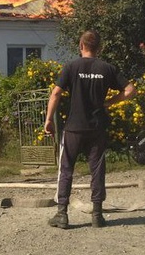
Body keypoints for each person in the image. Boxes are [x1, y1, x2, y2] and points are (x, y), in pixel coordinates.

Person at [44, 30, 136, 229]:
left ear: (81, 46)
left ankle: (62, 214)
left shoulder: (71, 66)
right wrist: (110, 102)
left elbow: (56, 93)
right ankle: (97, 215)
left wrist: (49, 119)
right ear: (99, 48)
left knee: (66, 169)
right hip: (97, 127)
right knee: (97, 169)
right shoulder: (107, 68)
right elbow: (130, 90)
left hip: (74, 128)